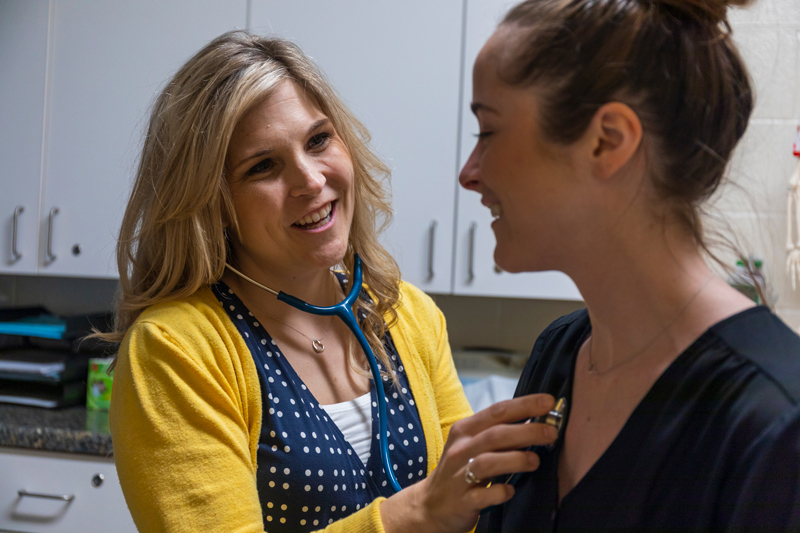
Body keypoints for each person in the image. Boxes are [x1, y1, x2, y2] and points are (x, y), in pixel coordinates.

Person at [104, 30, 558, 533]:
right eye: (263, 167)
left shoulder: (408, 314)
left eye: (318, 140)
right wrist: (414, 515)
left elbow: (471, 509)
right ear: (212, 204)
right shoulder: (176, 349)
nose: (311, 180)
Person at [458, 0, 800, 530]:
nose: (469, 173)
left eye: (488, 131)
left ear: (607, 141)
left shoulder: (774, 420)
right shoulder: (557, 355)